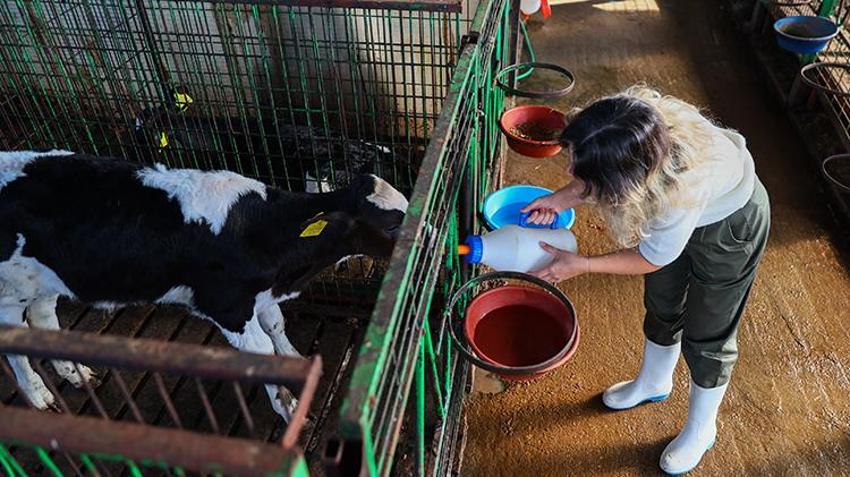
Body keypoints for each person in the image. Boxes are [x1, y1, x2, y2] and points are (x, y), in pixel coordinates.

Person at [521, 86, 770, 475]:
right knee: (663, 300)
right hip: (671, 208)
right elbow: (604, 168)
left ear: (623, 186)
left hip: (728, 225)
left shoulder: (677, 187)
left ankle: (702, 427)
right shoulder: (631, 121)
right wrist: (560, 199)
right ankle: (654, 381)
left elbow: (652, 257)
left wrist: (581, 264)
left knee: (708, 330)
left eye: (578, 169)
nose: (569, 171)